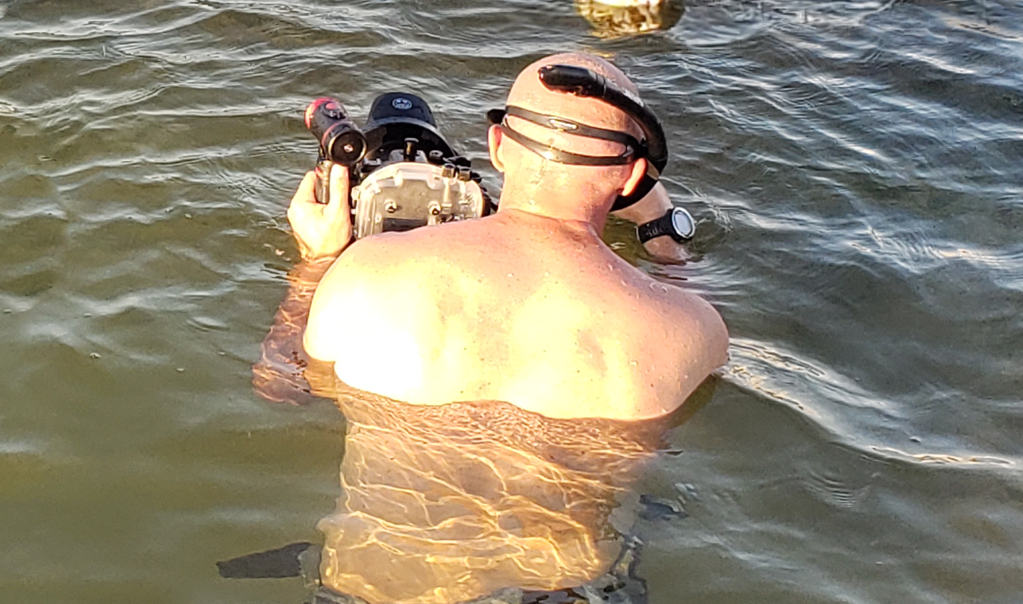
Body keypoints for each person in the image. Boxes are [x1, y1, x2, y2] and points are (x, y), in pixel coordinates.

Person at [265, 52, 727, 423]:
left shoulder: (366, 274)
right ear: (633, 178)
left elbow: (281, 384)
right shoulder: (687, 328)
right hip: (582, 544)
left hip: (385, 542)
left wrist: (318, 263)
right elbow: (705, 340)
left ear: (498, 146)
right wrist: (665, 241)